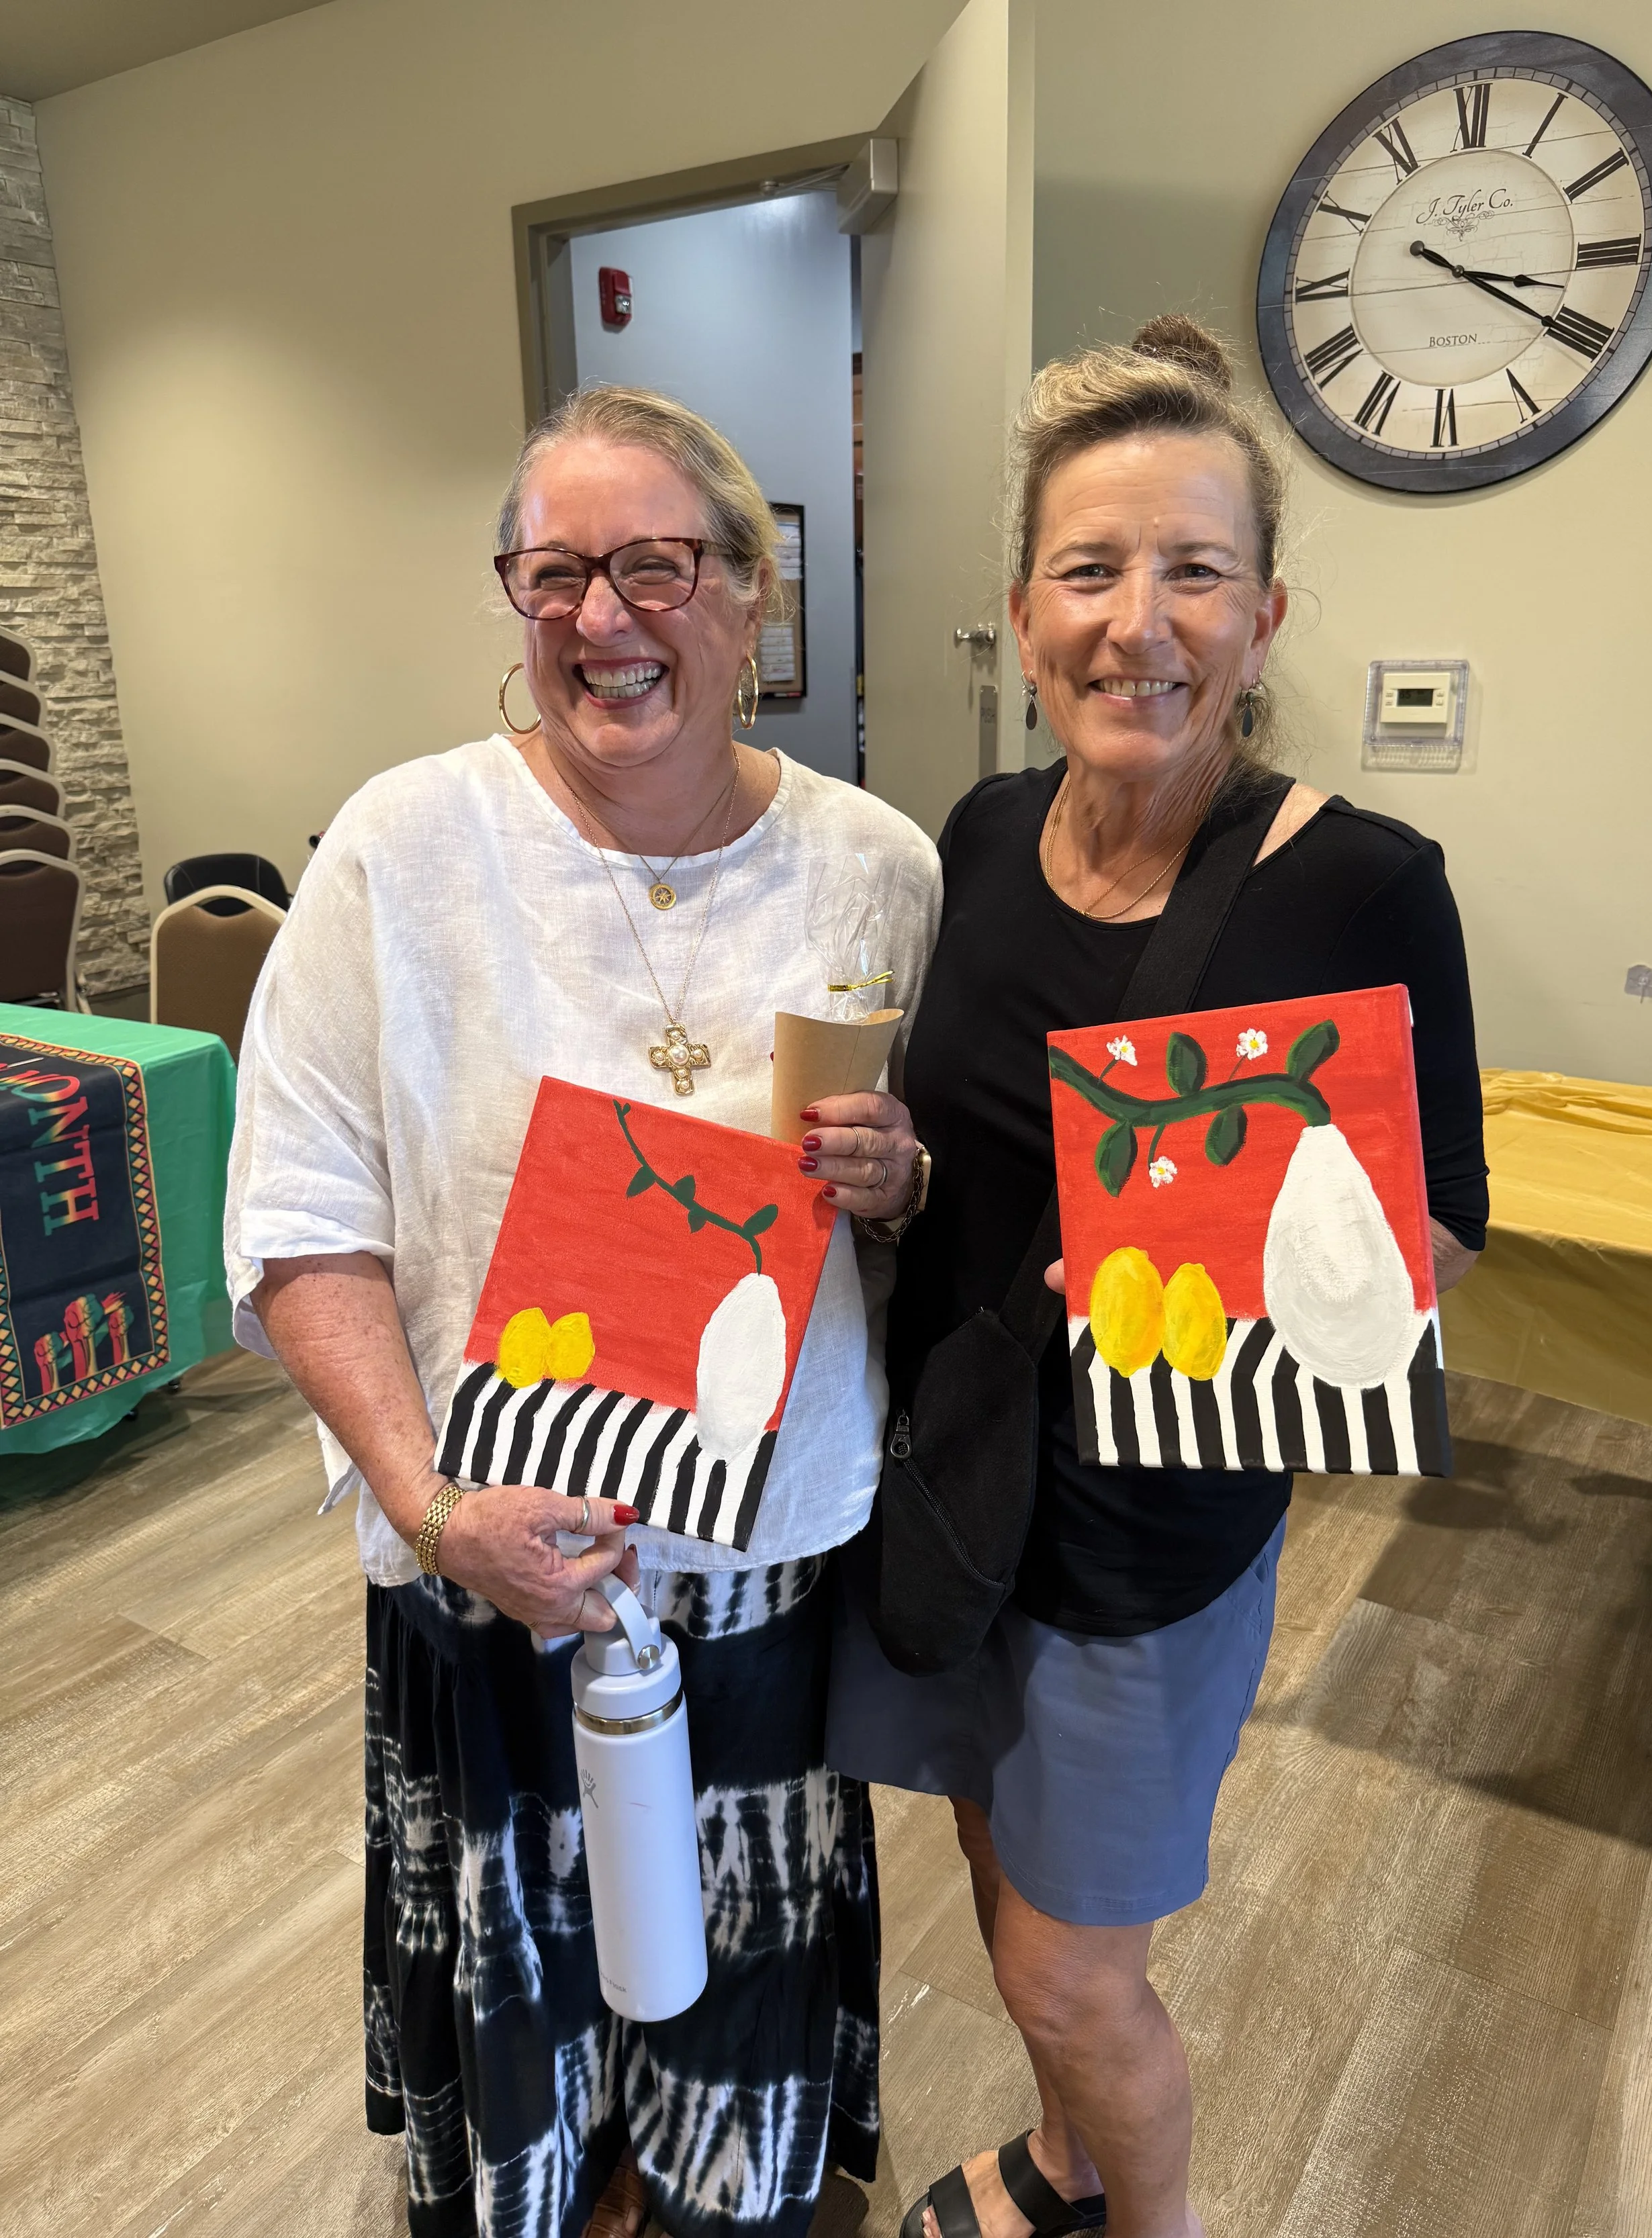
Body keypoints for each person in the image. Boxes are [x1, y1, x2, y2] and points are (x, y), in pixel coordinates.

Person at [224, 385, 940, 2238]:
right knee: (530, 1958)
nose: (600, 616)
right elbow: (301, 1216)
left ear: (749, 596)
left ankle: (724, 2186)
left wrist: (901, 1177)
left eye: (653, 565)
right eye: (552, 574)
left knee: (738, 1962)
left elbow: (925, 1212)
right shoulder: (399, 850)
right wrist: (432, 1503)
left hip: (762, 1550)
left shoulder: (878, 865)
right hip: (493, 1547)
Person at [827, 317, 1488, 2238]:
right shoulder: (970, 835)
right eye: (1091, 570)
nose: (1141, 621)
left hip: (1145, 1523)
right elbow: (970, 1141)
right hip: (950, 1478)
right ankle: (1055, 2164)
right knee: (991, 1856)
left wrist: (1197, 1249)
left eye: (1192, 569)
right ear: (1022, 611)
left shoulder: (1359, 884)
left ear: (1264, 611)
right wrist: (895, 1168)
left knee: (1067, 1969)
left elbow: (1428, 1234)